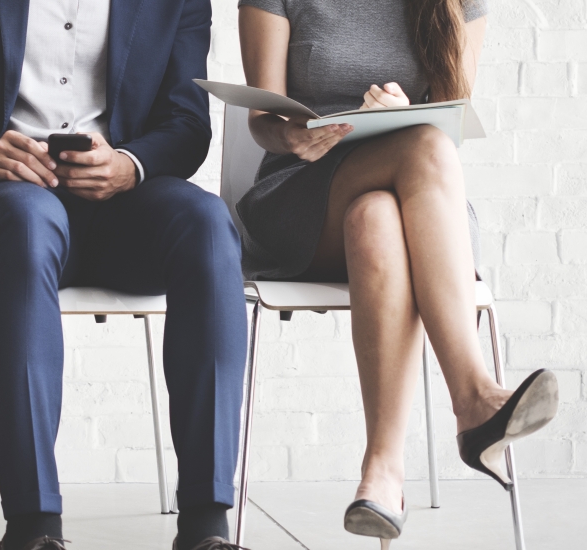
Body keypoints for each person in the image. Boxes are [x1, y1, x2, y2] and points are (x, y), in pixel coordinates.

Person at [0, 0, 246, 548]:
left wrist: (129, 164)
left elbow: (187, 120)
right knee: (28, 223)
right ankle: (33, 526)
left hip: (121, 204)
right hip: (1, 203)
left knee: (207, 223)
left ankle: (206, 524)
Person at [235, 0, 559, 544]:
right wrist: (293, 134)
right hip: (304, 192)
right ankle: (474, 398)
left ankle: (382, 473)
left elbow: (451, 118)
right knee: (422, 152)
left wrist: (401, 111)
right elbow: (262, 120)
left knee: (376, 219)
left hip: (417, 204)